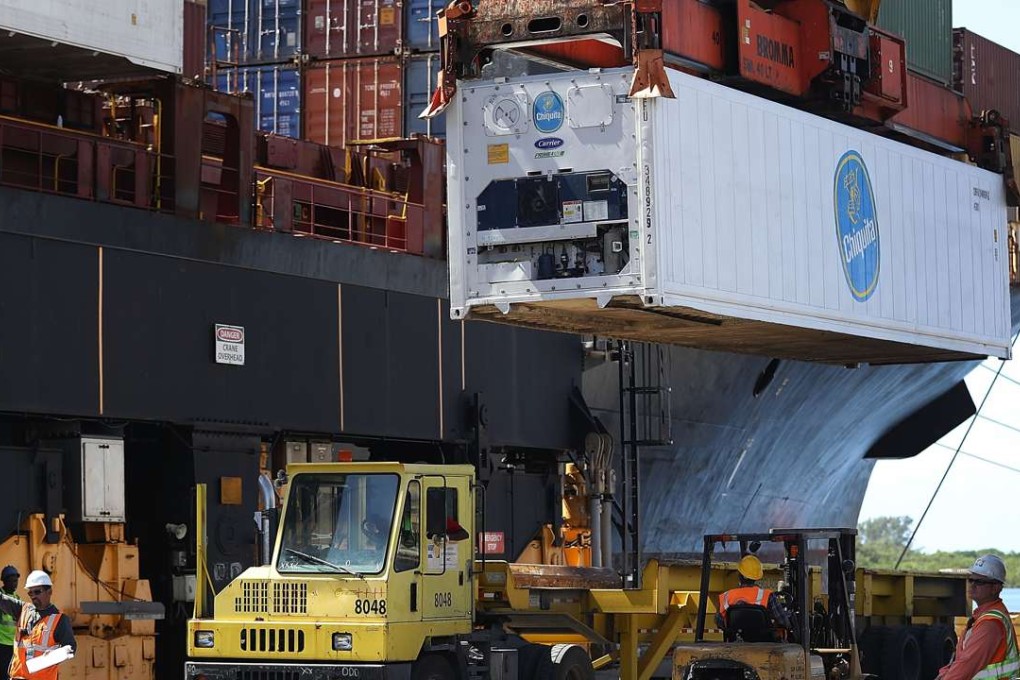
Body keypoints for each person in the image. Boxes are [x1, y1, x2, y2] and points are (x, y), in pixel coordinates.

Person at [937, 555, 1018, 680]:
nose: (972, 585)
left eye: (979, 582)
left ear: (995, 588)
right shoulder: (981, 617)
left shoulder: (990, 624)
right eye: (971, 580)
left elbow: (966, 666)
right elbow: (960, 660)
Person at [0, 570, 76, 679]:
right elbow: (2, 600)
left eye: (37, 592)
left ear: (49, 591)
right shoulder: (24, 610)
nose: (33, 596)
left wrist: (45, 660)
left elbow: (71, 648)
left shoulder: (59, 620)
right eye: (30, 593)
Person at [717, 555, 791, 640]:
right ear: (757, 577)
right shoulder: (767, 596)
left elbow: (720, 622)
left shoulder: (726, 596)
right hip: (764, 645)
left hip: (737, 642)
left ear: (739, 575)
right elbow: (784, 622)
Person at [0, 566, 20, 679]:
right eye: (12, 580)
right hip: (2, 643)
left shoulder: (17, 598)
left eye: (16, 581)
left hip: (13, 645)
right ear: (4, 580)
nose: (15, 583)